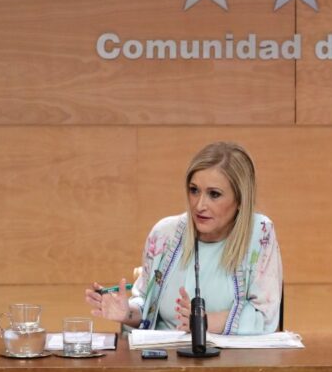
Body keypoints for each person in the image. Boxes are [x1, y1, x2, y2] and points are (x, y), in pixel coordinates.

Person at [85, 142, 283, 335]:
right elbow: (146, 304)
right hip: (165, 361)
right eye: (194, 190)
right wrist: (126, 312)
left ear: (240, 199)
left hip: (232, 365)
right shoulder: (164, 234)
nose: (199, 205)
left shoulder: (259, 233)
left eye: (214, 194)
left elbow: (264, 316)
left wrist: (203, 322)